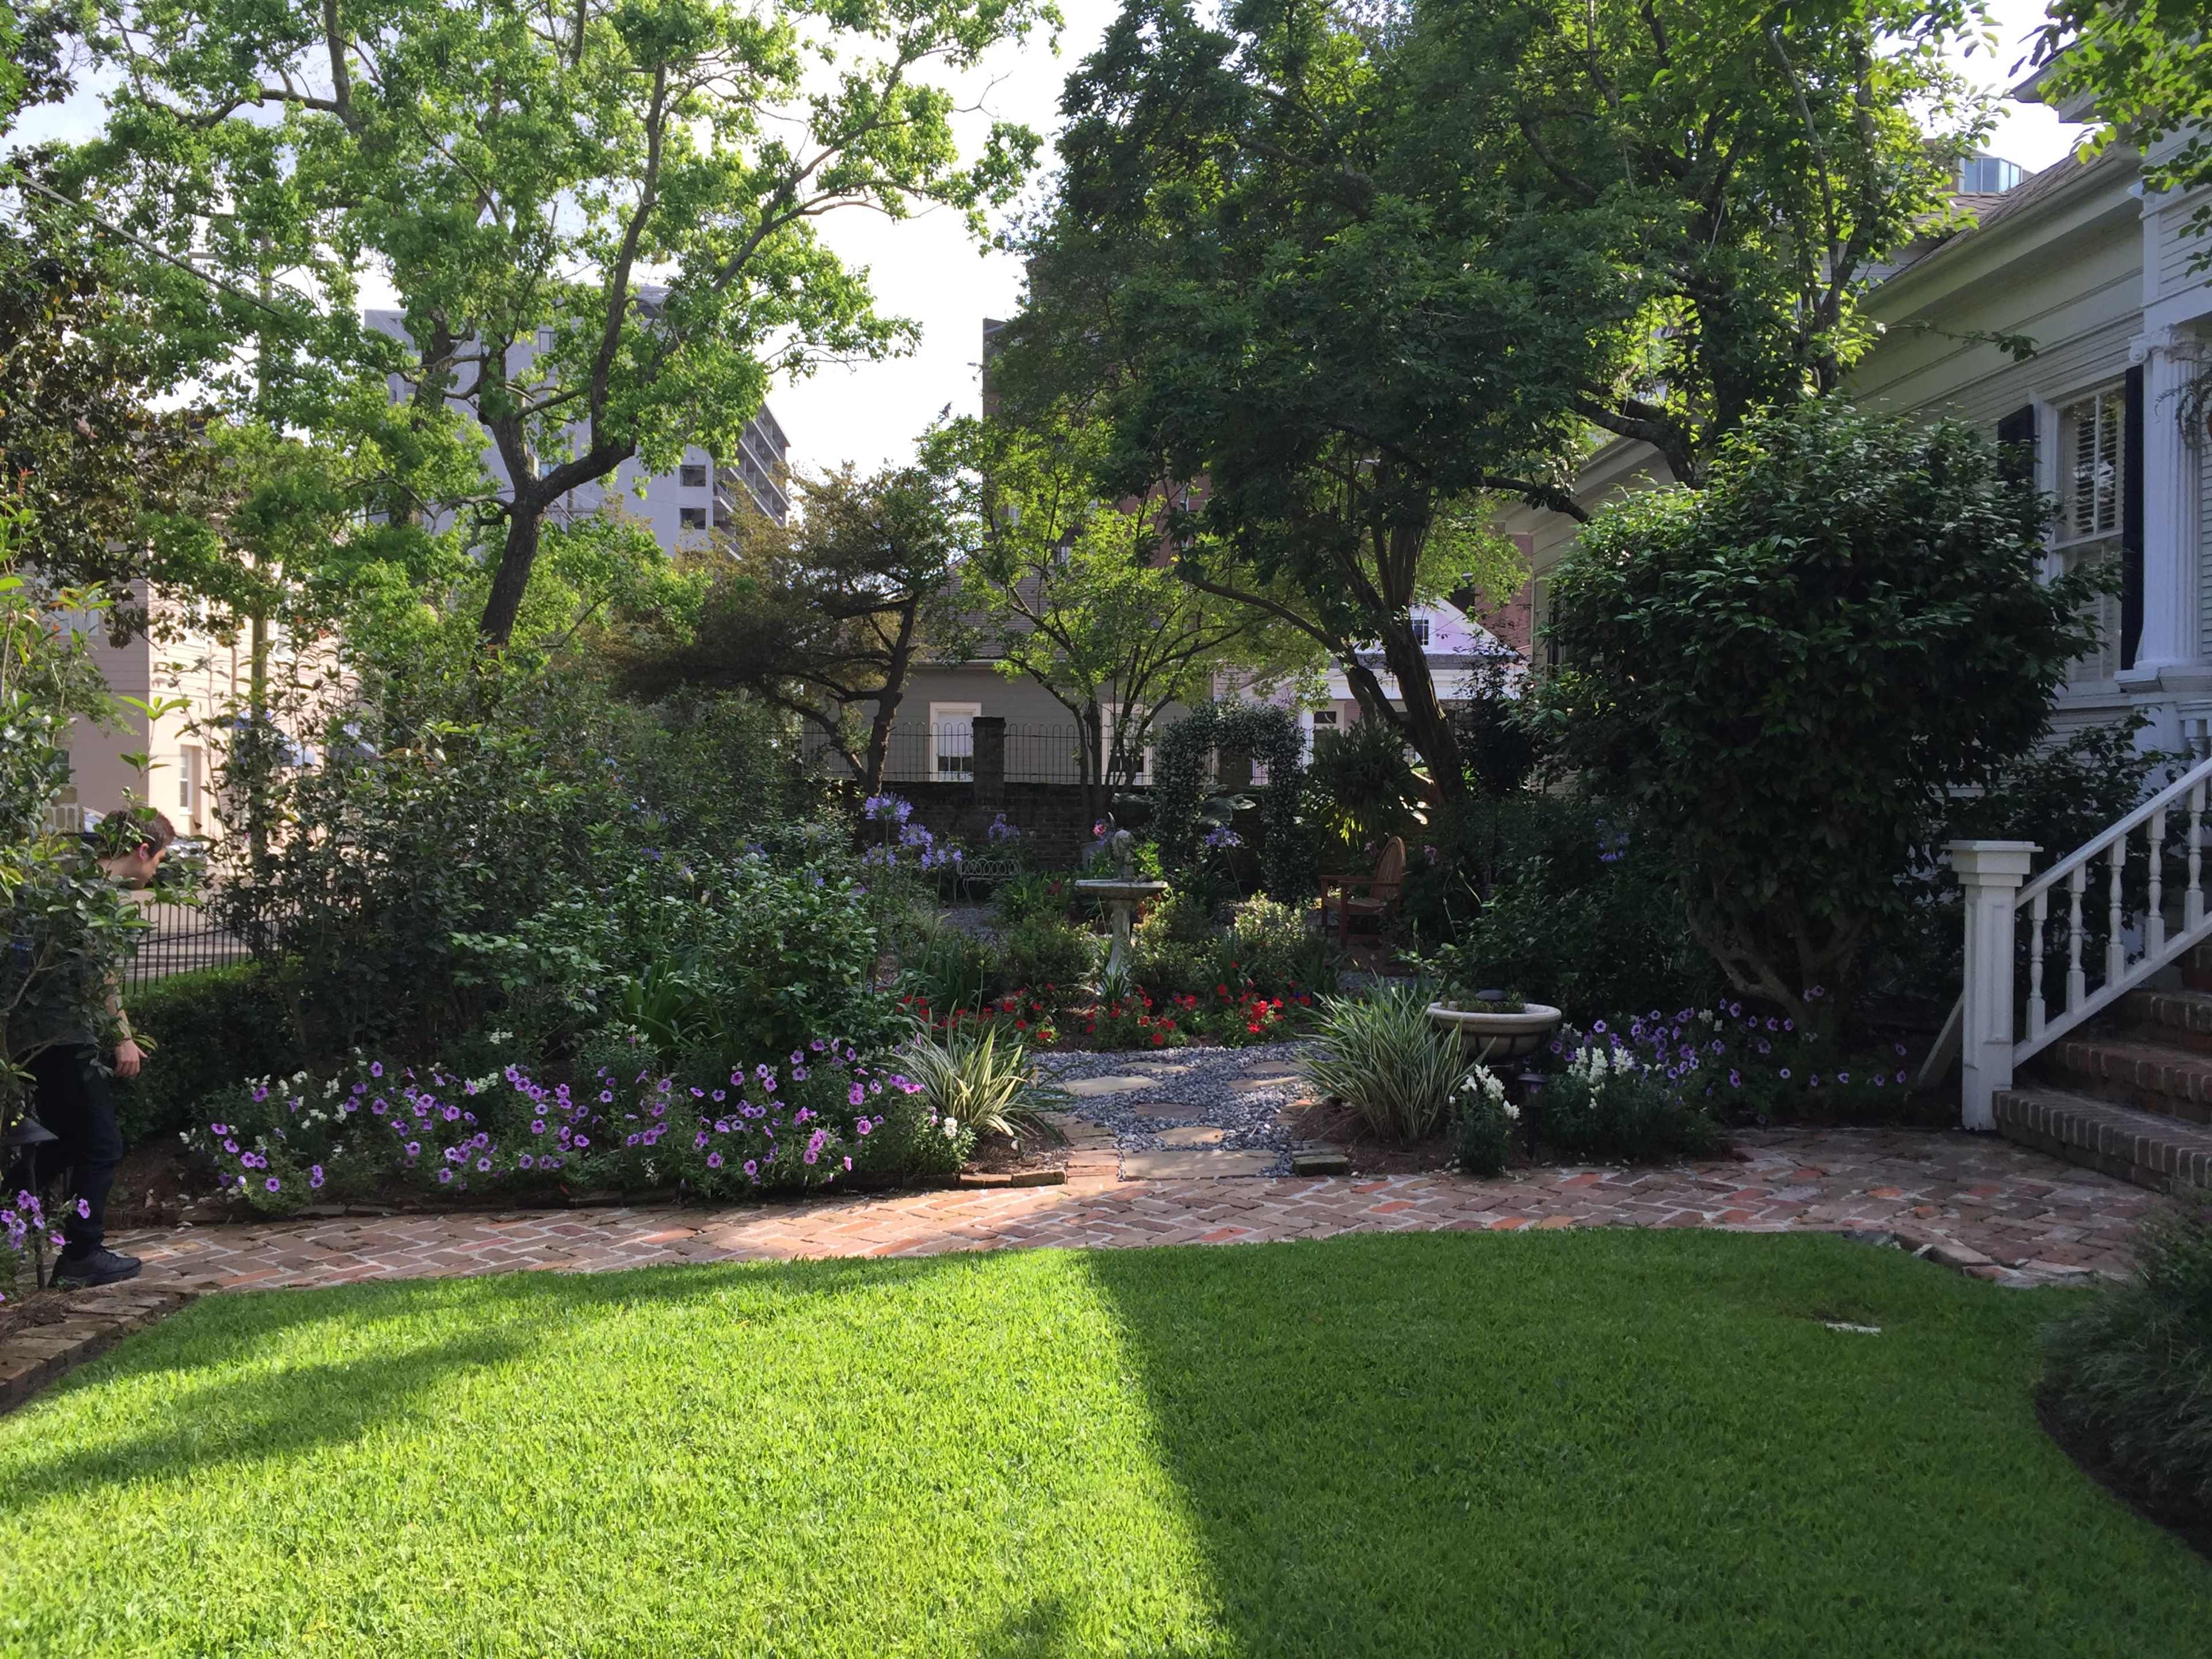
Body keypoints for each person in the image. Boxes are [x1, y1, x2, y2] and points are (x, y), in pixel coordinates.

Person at [14, 810, 177, 1288]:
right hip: (67, 1039)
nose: (156, 871)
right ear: (143, 850)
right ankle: (82, 1254)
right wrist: (123, 1039)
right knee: (102, 1146)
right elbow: (101, 978)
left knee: (60, 1142)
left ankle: (18, 1220)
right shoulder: (97, 899)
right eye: (160, 859)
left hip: (32, 1039)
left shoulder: (63, 888)